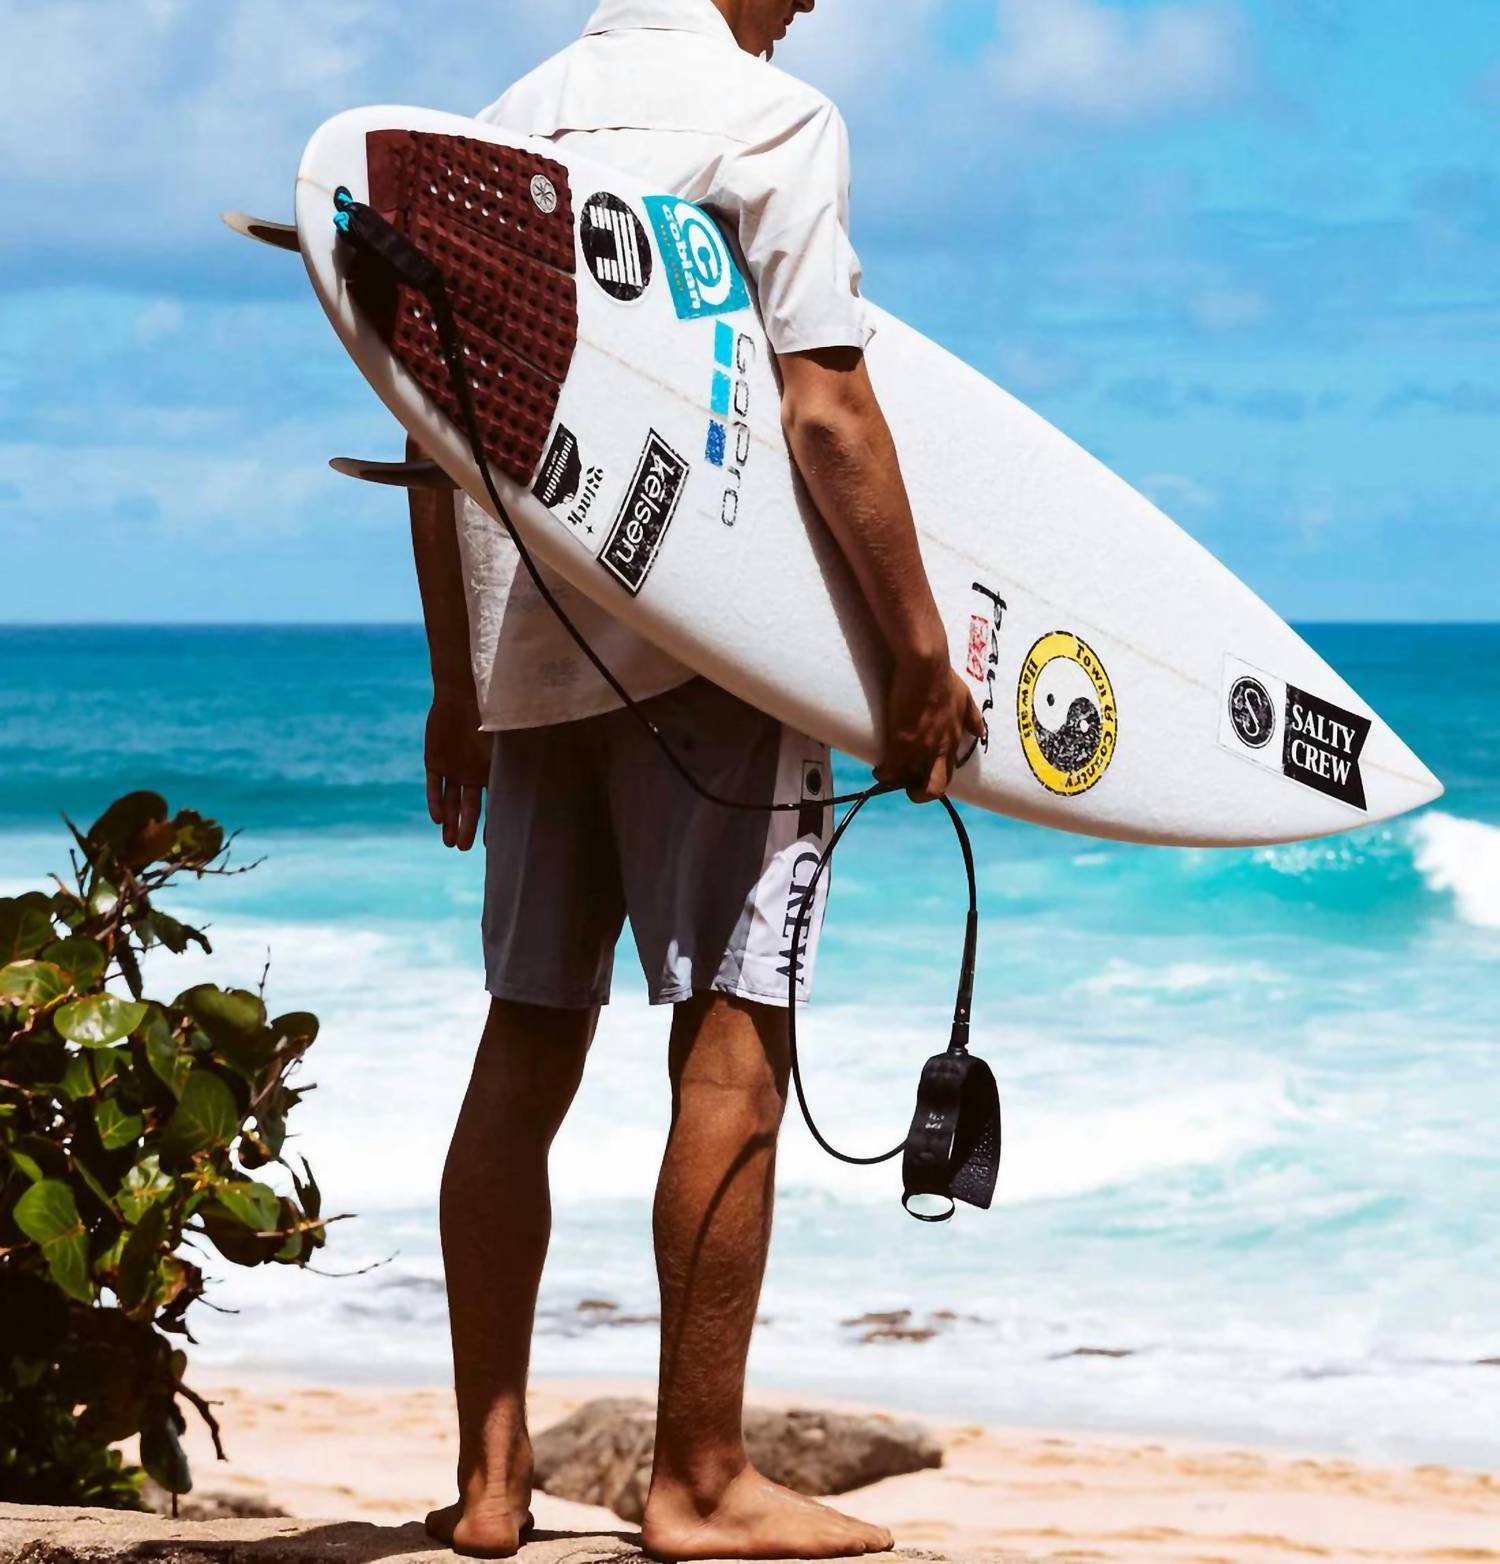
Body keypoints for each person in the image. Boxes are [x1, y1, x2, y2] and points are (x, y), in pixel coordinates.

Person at [410, 1, 979, 1556]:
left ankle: (491, 1484)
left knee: (527, 1040)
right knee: (732, 1040)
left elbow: (432, 437)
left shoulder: (496, 127)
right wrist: (917, 654)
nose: (816, 5)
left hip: (529, 635)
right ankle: (701, 1479)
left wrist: (461, 686)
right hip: (713, 653)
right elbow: (826, 409)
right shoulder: (772, 121)